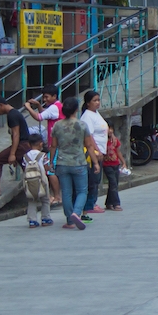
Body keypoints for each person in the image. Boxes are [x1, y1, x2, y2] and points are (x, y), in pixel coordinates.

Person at [51, 97, 96, 229]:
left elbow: (53, 146)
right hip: (79, 163)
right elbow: (89, 145)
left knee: (66, 192)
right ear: (76, 109)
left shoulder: (57, 125)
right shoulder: (82, 125)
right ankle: (76, 213)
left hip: (62, 163)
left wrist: (52, 162)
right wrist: (96, 162)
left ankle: (69, 221)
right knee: (82, 191)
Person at [78, 91, 110, 216]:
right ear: (88, 103)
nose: (97, 103)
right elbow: (89, 136)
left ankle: (92, 202)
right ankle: (90, 204)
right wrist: (96, 150)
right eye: (95, 100)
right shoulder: (87, 116)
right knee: (92, 179)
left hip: (101, 150)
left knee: (96, 179)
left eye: (98, 100)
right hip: (93, 153)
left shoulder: (96, 114)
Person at [22, 133, 53, 227]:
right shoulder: (43, 155)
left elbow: (24, 167)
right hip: (42, 180)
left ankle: (32, 220)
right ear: (40, 144)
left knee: (32, 200)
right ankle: (45, 218)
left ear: (29, 144)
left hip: (29, 181)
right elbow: (46, 168)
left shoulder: (25, 156)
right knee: (45, 199)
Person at [101, 119, 124, 210]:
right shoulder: (102, 140)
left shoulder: (115, 140)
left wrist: (123, 162)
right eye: (108, 129)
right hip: (107, 164)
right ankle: (116, 203)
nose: (110, 131)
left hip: (116, 164)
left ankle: (108, 202)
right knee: (113, 183)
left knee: (114, 184)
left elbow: (118, 152)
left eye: (111, 128)